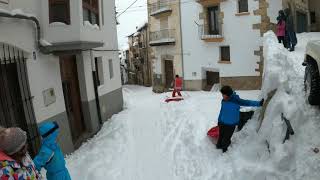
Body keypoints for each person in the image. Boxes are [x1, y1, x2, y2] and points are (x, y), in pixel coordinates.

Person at [216, 86, 264, 153]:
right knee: (221, 135)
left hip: (231, 124)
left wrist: (259, 103)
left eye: (224, 95)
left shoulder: (236, 100)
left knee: (226, 138)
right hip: (222, 123)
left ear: (228, 94)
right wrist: (219, 120)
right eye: (222, 94)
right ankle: (219, 145)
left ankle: (225, 149)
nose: (223, 96)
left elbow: (247, 102)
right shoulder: (223, 100)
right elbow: (222, 111)